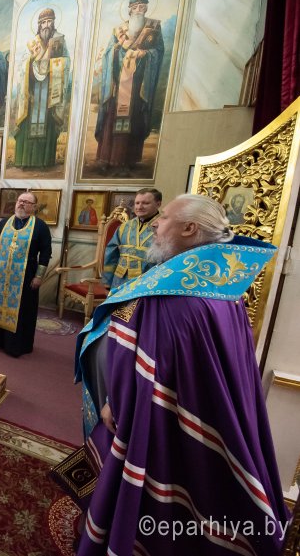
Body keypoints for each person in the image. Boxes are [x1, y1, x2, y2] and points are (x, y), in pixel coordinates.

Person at [74, 194, 289, 555]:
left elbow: (146, 362)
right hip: (201, 404)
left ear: (189, 229)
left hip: (159, 415)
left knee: (156, 485)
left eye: (165, 219)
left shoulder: (174, 298)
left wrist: (116, 403)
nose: (156, 225)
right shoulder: (220, 280)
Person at [94, 0, 164, 173]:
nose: (139, 10)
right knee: (112, 120)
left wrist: (145, 54)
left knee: (133, 121)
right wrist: (117, 49)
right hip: (118, 85)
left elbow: (158, 52)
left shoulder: (154, 27)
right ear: (130, 10)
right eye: (135, 7)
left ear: (147, 7)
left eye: (142, 6)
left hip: (138, 85)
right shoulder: (119, 30)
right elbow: (108, 53)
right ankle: (107, 157)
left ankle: (128, 159)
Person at [0, 191, 51, 357]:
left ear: (34, 207)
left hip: (26, 276)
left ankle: (15, 346)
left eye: (26, 202)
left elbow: (45, 253)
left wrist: (39, 276)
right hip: (1, 275)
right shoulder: (4, 223)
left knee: (23, 311)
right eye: (20, 200)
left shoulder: (40, 226)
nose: (21, 204)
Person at [13, 8, 69, 169]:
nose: (46, 25)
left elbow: (67, 62)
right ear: (39, 25)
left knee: (47, 124)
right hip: (33, 94)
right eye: (43, 22)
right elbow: (22, 66)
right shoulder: (32, 44)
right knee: (29, 125)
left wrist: (55, 61)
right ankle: (25, 161)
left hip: (50, 92)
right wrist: (32, 62)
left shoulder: (59, 41)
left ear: (54, 23)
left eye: (49, 21)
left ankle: (45, 162)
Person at [102, 188, 161, 289]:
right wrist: (107, 282)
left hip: (147, 283)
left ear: (158, 204)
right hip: (119, 282)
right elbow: (111, 255)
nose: (139, 207)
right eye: (137, 203)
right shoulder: (124, 227)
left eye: (145, 203)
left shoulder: (164, 227)